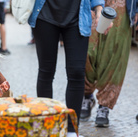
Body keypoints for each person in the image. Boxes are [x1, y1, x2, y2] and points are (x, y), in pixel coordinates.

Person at [28, 0, 111, 136]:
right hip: (44, 13)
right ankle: (47, 126)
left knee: (77, 72)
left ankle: (72, 130)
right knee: (46, 71)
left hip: (77, 16)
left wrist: (99, 9)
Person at [80, 0, 138, 127]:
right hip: (91, 4)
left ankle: (104, 106)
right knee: (87, 51)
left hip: (122, 6)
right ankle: (86, 95)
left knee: (114, 55)